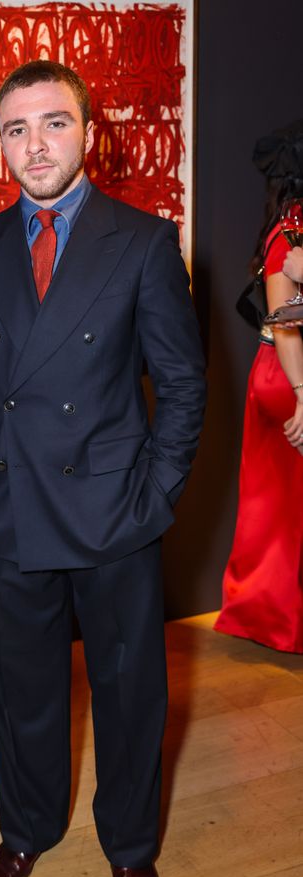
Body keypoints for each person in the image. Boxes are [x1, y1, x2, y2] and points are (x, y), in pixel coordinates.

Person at [0, 60, 205, 877]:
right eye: (15, 128)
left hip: (111, 514)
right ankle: (27, 826)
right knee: (19, 687)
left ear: (89, 133)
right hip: (8, 509)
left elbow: (182, 383)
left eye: (53, 123)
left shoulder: (141, 240)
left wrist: (154, 494)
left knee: (130, 695)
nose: (34, 145)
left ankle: (130, 845)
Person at [215, 121, 303, 653]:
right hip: (289, 377)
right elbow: (284, 321)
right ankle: (273, 618)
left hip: (286, 373)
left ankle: (271, 615)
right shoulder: (290, 235)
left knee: (279, 510)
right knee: (281, 512)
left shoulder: (289, 231)